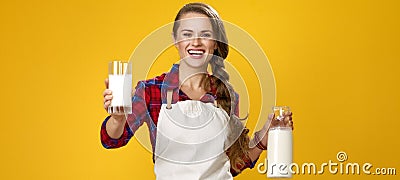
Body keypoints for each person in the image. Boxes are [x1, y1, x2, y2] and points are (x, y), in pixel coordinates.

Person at [101, 2, 293, 179]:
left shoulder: (227, 95)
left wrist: (263, 140)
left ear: (216, 43)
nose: (196, 42)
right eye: (187, 34)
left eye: (206, 35)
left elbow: (229, 166)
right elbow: (112, 140)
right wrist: (117, 119)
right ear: (175, 40)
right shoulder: (150, 91)